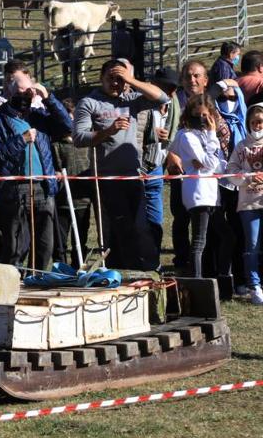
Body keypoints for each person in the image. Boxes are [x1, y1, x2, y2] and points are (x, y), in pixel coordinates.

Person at [72, 58, 169, 270]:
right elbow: (79, 138)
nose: (116, 83)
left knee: (141, 226)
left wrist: (131, 80)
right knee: (119, 226)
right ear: (101, 78)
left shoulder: (131, 99)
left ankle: (147, 268)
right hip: (107, 177)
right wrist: (108, 131)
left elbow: (162, 97)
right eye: (111, 78)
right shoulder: (90, 103)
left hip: (133, 174)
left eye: (119, 79)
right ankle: (125, 269)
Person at [0, 71, 71, 272]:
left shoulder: (38, 117)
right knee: (16, 245)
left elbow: (67, 126)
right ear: (8, 91)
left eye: (28, 93)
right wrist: (20, 140)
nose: (24, 98)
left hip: (43, 185)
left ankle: (37, 279)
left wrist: (49, 99)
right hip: (15, 189)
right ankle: (13, 281)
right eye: (20, 92)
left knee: (45, 243)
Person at [167, 95, 230, 281]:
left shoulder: (205, 135)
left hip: (212, 193)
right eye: (197, 115)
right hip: (198, 193)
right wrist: (212, 137)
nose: (202, 120)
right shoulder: (186, 135)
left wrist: (209, 158)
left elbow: (217, 166)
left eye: (205, 115)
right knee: (199, 241)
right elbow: (209, 162)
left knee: (227, 236)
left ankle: (224, 276)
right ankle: (196, 282)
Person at [139, 68, 181, 264]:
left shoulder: (174, 104)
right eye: (166, 87)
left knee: (156, 220)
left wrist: (168, 143)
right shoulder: (141, 102)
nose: (170, 92)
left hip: (157, 166)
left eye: (173, 88)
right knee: (137, 222)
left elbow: (175, 130)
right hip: (137, 168)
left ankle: (153, 262)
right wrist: (150, 134)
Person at [228, 105, 263, 305]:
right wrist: (247, 179)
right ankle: (254, 285)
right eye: (253, 122)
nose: (257, 125)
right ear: (248, 123)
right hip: (248, 203)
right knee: (252, 245)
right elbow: (231, 170)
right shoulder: (241, 146)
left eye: (260, 121)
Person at [51, 97, 92, 265]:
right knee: (60, 241)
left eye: (71, 116)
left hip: (83, 199)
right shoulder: (56, 144)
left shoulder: (87, 142)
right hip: (62, 200)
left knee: (80, 239)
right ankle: (60, 268)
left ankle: (79, 266)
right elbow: (53, 167)